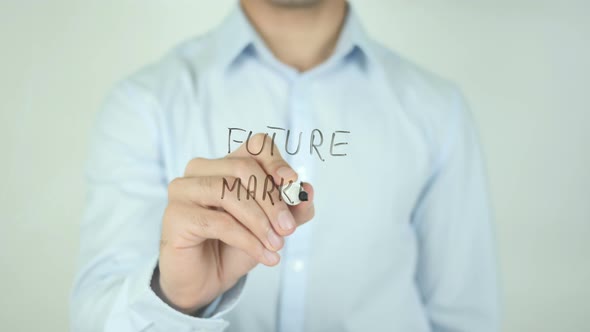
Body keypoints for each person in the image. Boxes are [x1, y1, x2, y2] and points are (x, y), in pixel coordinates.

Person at [70, 0, 500, 331]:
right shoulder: (144, 104)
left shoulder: (439, 113)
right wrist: (175, 297)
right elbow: (94, 318)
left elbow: (465, 319)